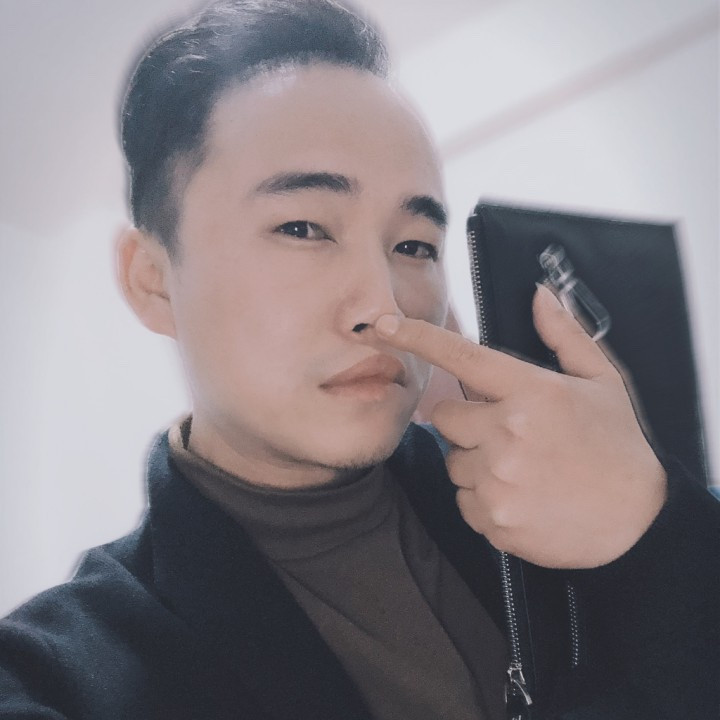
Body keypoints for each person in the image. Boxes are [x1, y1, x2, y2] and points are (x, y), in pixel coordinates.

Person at [0, 1, 717, 718]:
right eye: (303, 228)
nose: (384, 306)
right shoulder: (55, 676)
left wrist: (653, 533)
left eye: (414, 246)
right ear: (153, 281)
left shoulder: (549, 496)